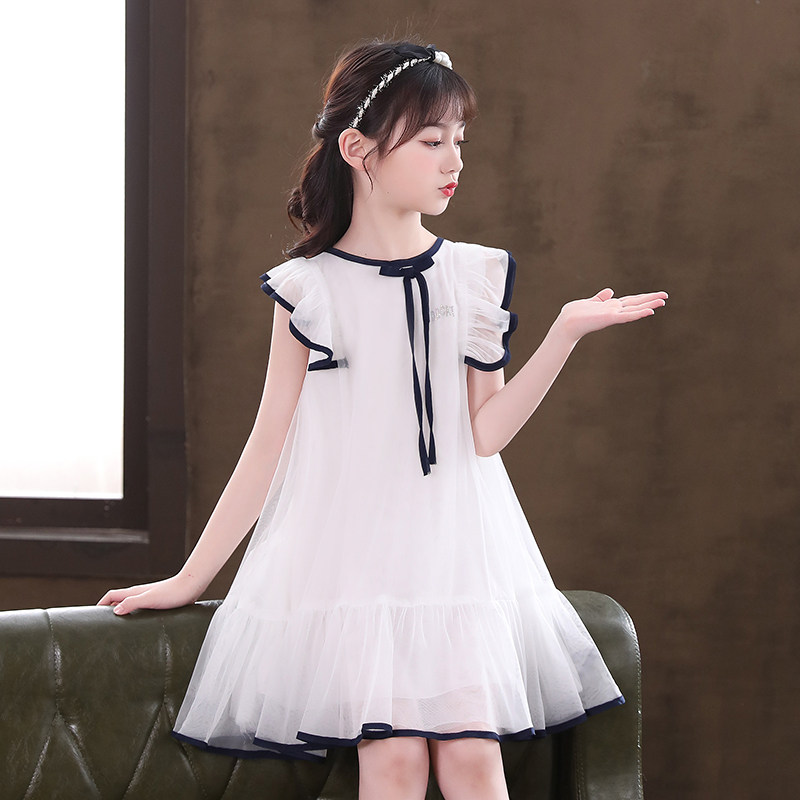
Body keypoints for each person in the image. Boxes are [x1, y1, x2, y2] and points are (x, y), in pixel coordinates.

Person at [99, 38, 667, 800]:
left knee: (472, 761)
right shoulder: (308, 290)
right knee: (393, 761)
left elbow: (487, 435)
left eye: (459, 141)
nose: (453, 160)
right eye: (431, 141)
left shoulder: (475, 274)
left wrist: (564, 333)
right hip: (355, 568)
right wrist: (191, 577)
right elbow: (268, 445)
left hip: (458, 562)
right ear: (357, 149)